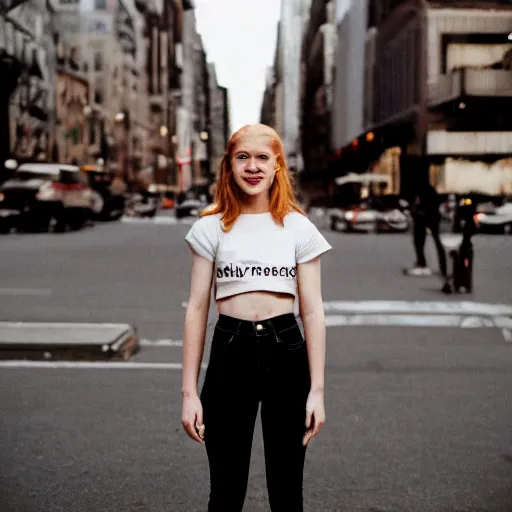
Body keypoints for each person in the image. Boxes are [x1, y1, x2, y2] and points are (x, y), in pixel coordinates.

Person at [181, 123, 332, 511]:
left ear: (277, 165)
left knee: (287, 492)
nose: (252, 166)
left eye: (262, 157)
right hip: (231, 350)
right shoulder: (210, 227)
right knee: (225, 492)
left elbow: (313, 310)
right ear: (228, 165)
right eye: (242, 157)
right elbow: (197, 308)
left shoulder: (298, 227)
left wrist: (317, 390)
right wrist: (189, 394)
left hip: (287, 350)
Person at [405, 183, 447, 281]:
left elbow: (419, 205)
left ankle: (422, 261)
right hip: (429, 217)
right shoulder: (428, 190)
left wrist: (417, 211)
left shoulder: (422, 191)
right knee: (432, 241)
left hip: (426, 217)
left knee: (420, 241)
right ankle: (442, 266)